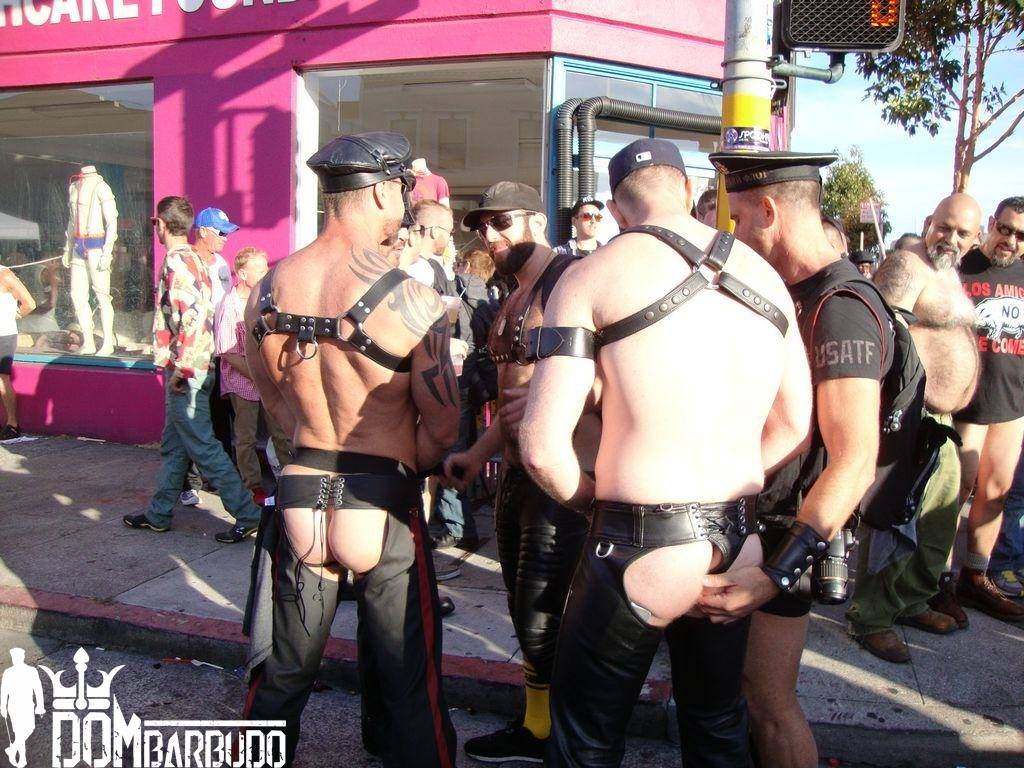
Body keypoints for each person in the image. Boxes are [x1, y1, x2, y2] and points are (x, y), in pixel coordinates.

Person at [521, 140, 811, 768]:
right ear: (686, 188)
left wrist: (593, 500)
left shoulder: (592, 274)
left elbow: (541, 448)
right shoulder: (766, 278)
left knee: (585, 740)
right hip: (737, 538)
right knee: (717, 725)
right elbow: (795, 425)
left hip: (636, 542)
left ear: (617, 208)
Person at [240, 132, 458, 768]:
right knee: (408, 673)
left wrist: (315, 435)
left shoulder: (268, 288)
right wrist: (400, 458)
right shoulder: (413, 299)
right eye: (403, 193)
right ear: (383, 192)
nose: (406, 208)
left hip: (302, 491)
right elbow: (443, 428)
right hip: (381, 497)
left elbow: (275, 403)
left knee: (284, 669)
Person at [669, 150, 885, 768]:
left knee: (768, 702)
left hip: (788, 531)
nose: (731, 233)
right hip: (753, 522)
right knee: (740, 698)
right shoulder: (787, 290)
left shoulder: (839, 305)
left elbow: (854, 459)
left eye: (737, 218)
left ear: (768, 210)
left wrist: (776, 573)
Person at [441, 181, 597, 763]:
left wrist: (556, 400)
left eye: (502, 221)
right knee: (524, 608)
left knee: (545, 613)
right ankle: (538, 725)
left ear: (536, 219)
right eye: (482, 225)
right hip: (516, 475)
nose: (490, 234)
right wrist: (478, 452)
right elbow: (512, 404)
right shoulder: (514, 294)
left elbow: (616, 373)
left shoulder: (572, 282)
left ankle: (560, 734)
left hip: (561, 475)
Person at [846, 193, 982, 661]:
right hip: (910, 416)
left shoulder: (949, 272)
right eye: (944, 226)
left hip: (941, 421)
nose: (951, 238)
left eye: (962, 233)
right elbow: (881, 330)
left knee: (939, 517)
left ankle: (910, 601)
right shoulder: (907, 264)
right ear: (928, 221)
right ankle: (870, 617)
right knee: (894, 517)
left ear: (975, 238)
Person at [123, 196, 262, 544]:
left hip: (189, 368)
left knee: (204, 446)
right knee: (175, 447)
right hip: (197, 364)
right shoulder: (197, 261)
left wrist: (182, 368)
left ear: (160, 224)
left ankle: (248, 514)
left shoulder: (177, 261)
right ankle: (158, 514)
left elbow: (192, 317)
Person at [953, 196, 1024, 621]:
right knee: (954, 493)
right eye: (1006, 228)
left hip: (1012, 401)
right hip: (967, 402)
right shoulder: (962, 267)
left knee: (996, 492)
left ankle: (975, 577)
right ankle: (934, 581)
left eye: (1021, 235)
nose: (1011, 240)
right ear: (993, 223)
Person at [410, 201, 481, 551]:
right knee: (441, 452)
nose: (451, 238)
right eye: (449, 231)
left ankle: (447, 528)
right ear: (434, 230)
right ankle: (446, 528)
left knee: (442, 453)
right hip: (435, 376)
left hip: (442, 374)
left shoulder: (435, 269)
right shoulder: (421, 270)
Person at [214, 246, 293, 505]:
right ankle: (253, 487)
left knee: (280, 431)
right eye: (258, 269)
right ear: (241, 273)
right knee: (245, 437)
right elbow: (227, 353)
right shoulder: (230, 305)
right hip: (242, 381)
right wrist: (258, 375)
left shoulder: (265, 302)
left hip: (266, 380)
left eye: (265, 268)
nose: (264, 273)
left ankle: (289, 481)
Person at [0, 263, 36, 440]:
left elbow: (29, 303)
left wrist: (16, 314)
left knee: (2, 379)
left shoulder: (5, 275)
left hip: (3, 334)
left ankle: (12, 424)